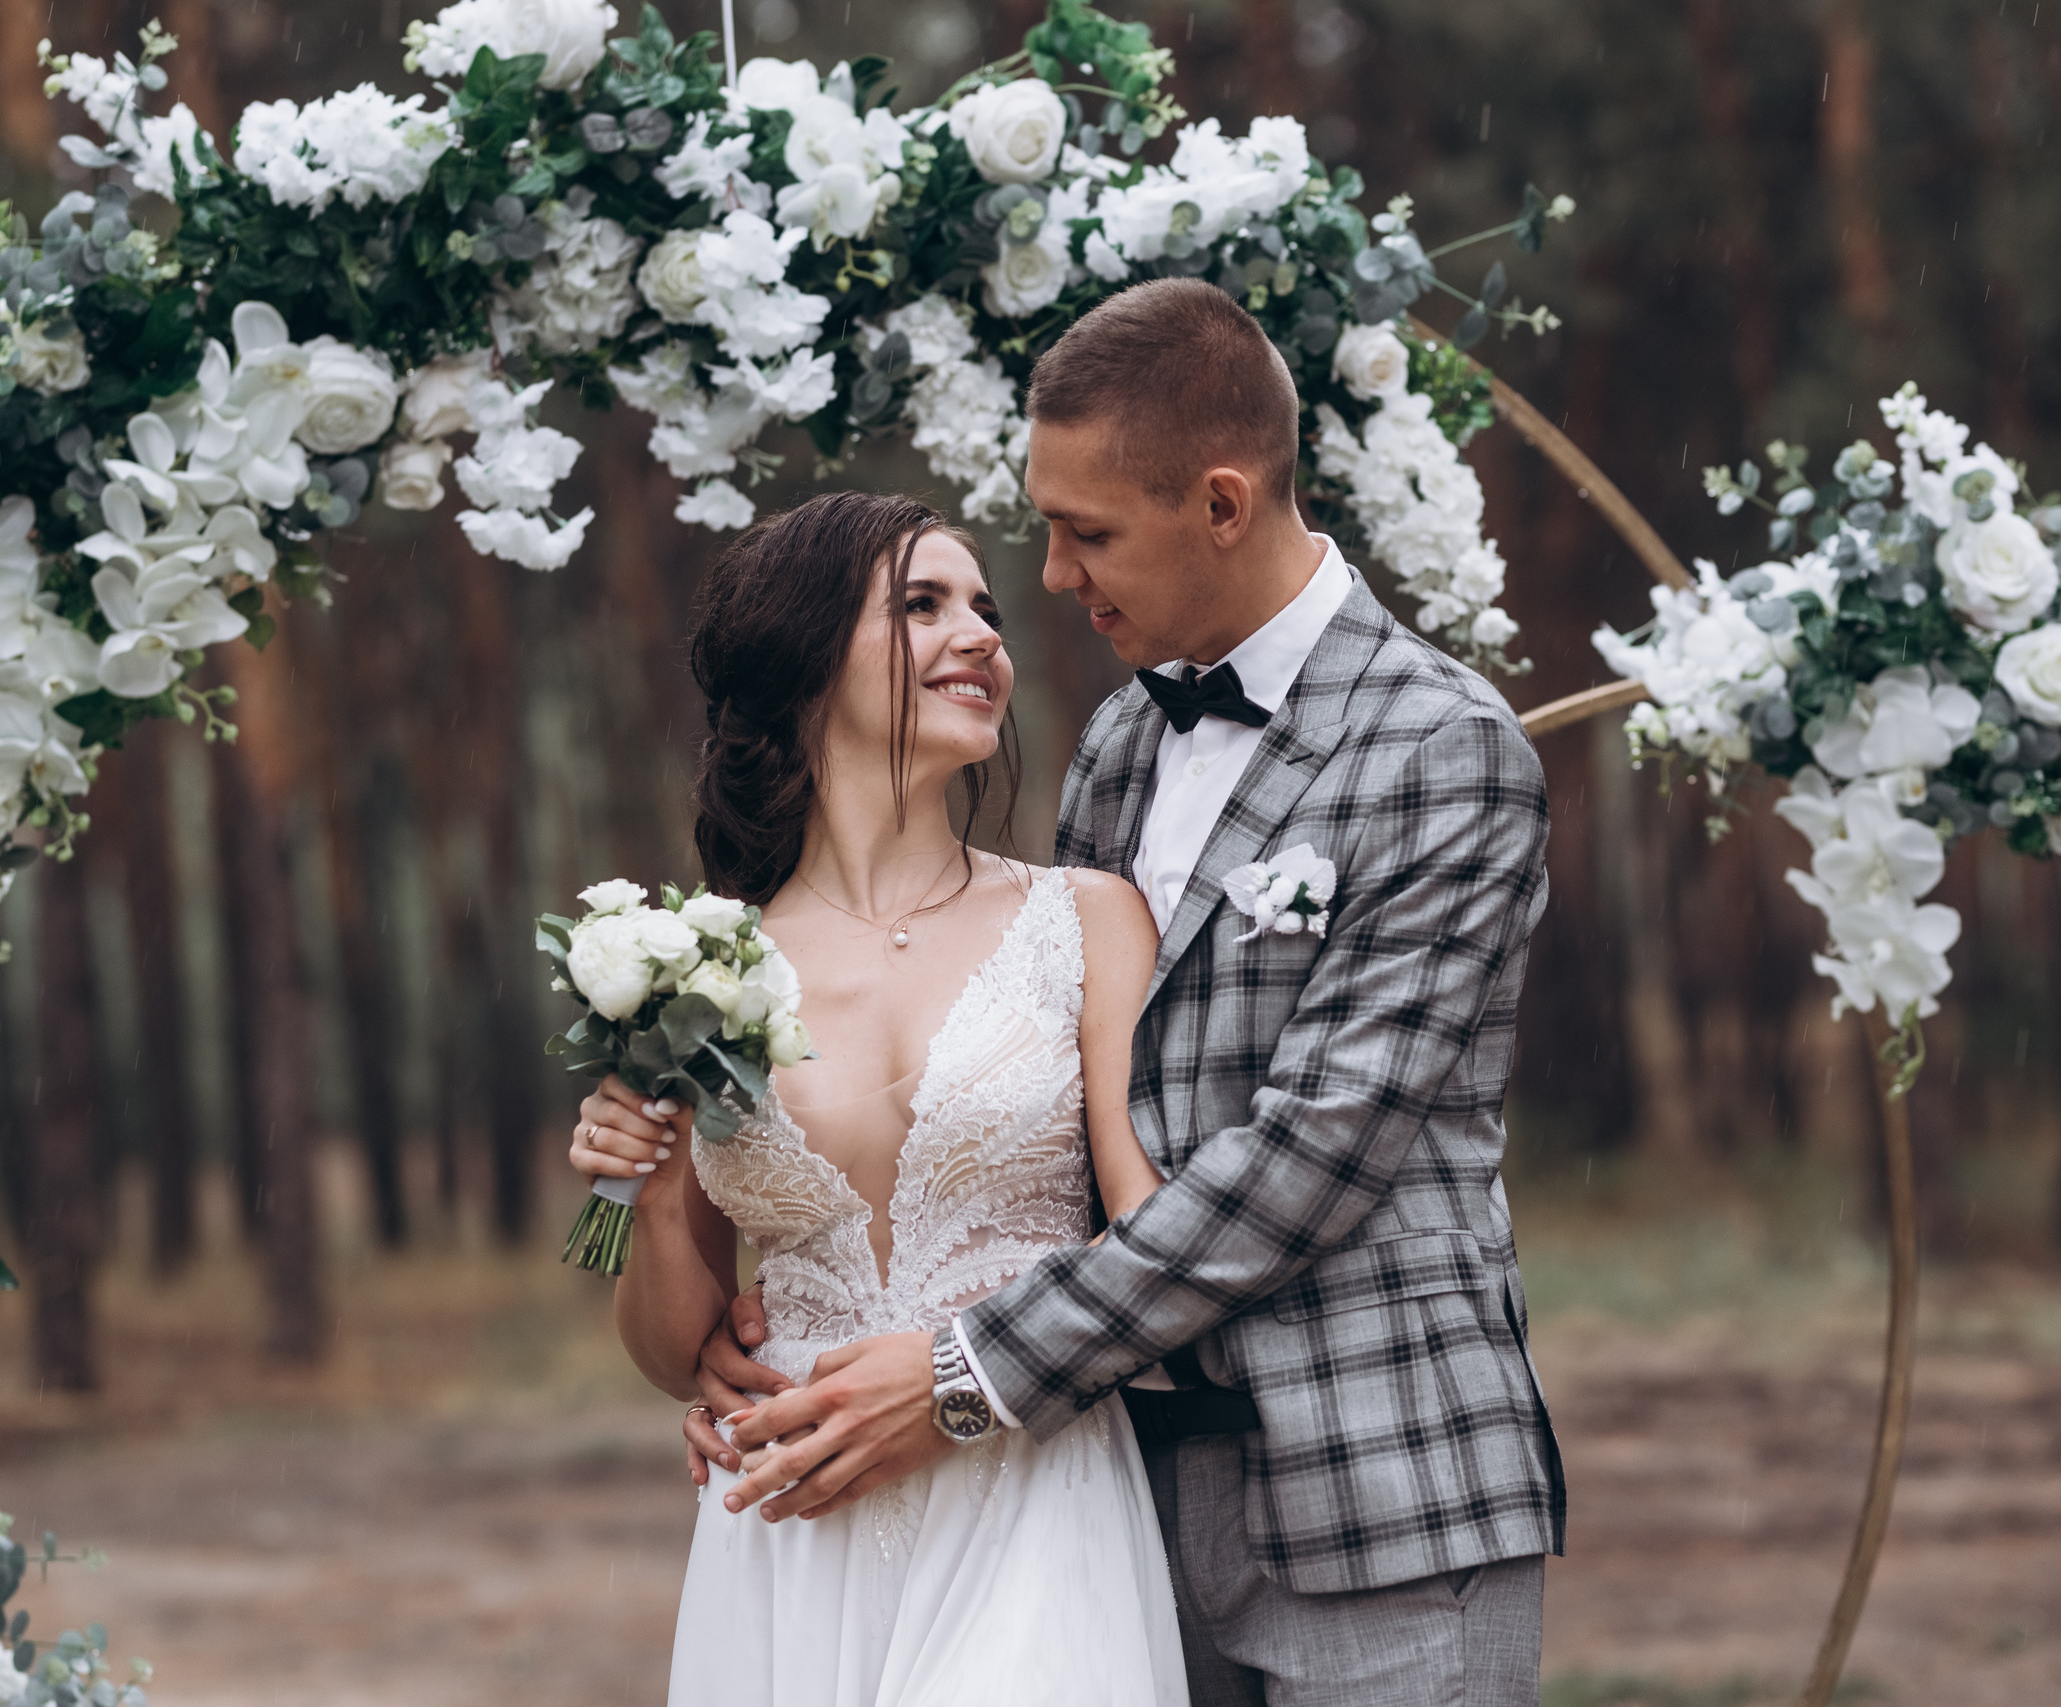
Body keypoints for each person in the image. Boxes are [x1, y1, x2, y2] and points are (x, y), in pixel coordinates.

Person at [658, 278, 1569, 1706]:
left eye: (1088, 534)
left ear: (1221, 502)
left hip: (1375, 1479)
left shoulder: (1443, 750)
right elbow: (1057, 1115)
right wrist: (753, 1293)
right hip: (1115, 1486)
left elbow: (1308, 1159)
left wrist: (963, 1370)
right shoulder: (1124, 751)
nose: (1059, 580)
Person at [567, 489, 1189, 1705]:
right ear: (805, 661)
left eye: (986, 609)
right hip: (791, 1520)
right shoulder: (696, 970)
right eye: (922, 605)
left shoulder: (1087, 920)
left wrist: (977, 1370)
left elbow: (1150, 1240)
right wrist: (638, 1190)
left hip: (1035, 1498)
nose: (982, 636)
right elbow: (672, 1351)